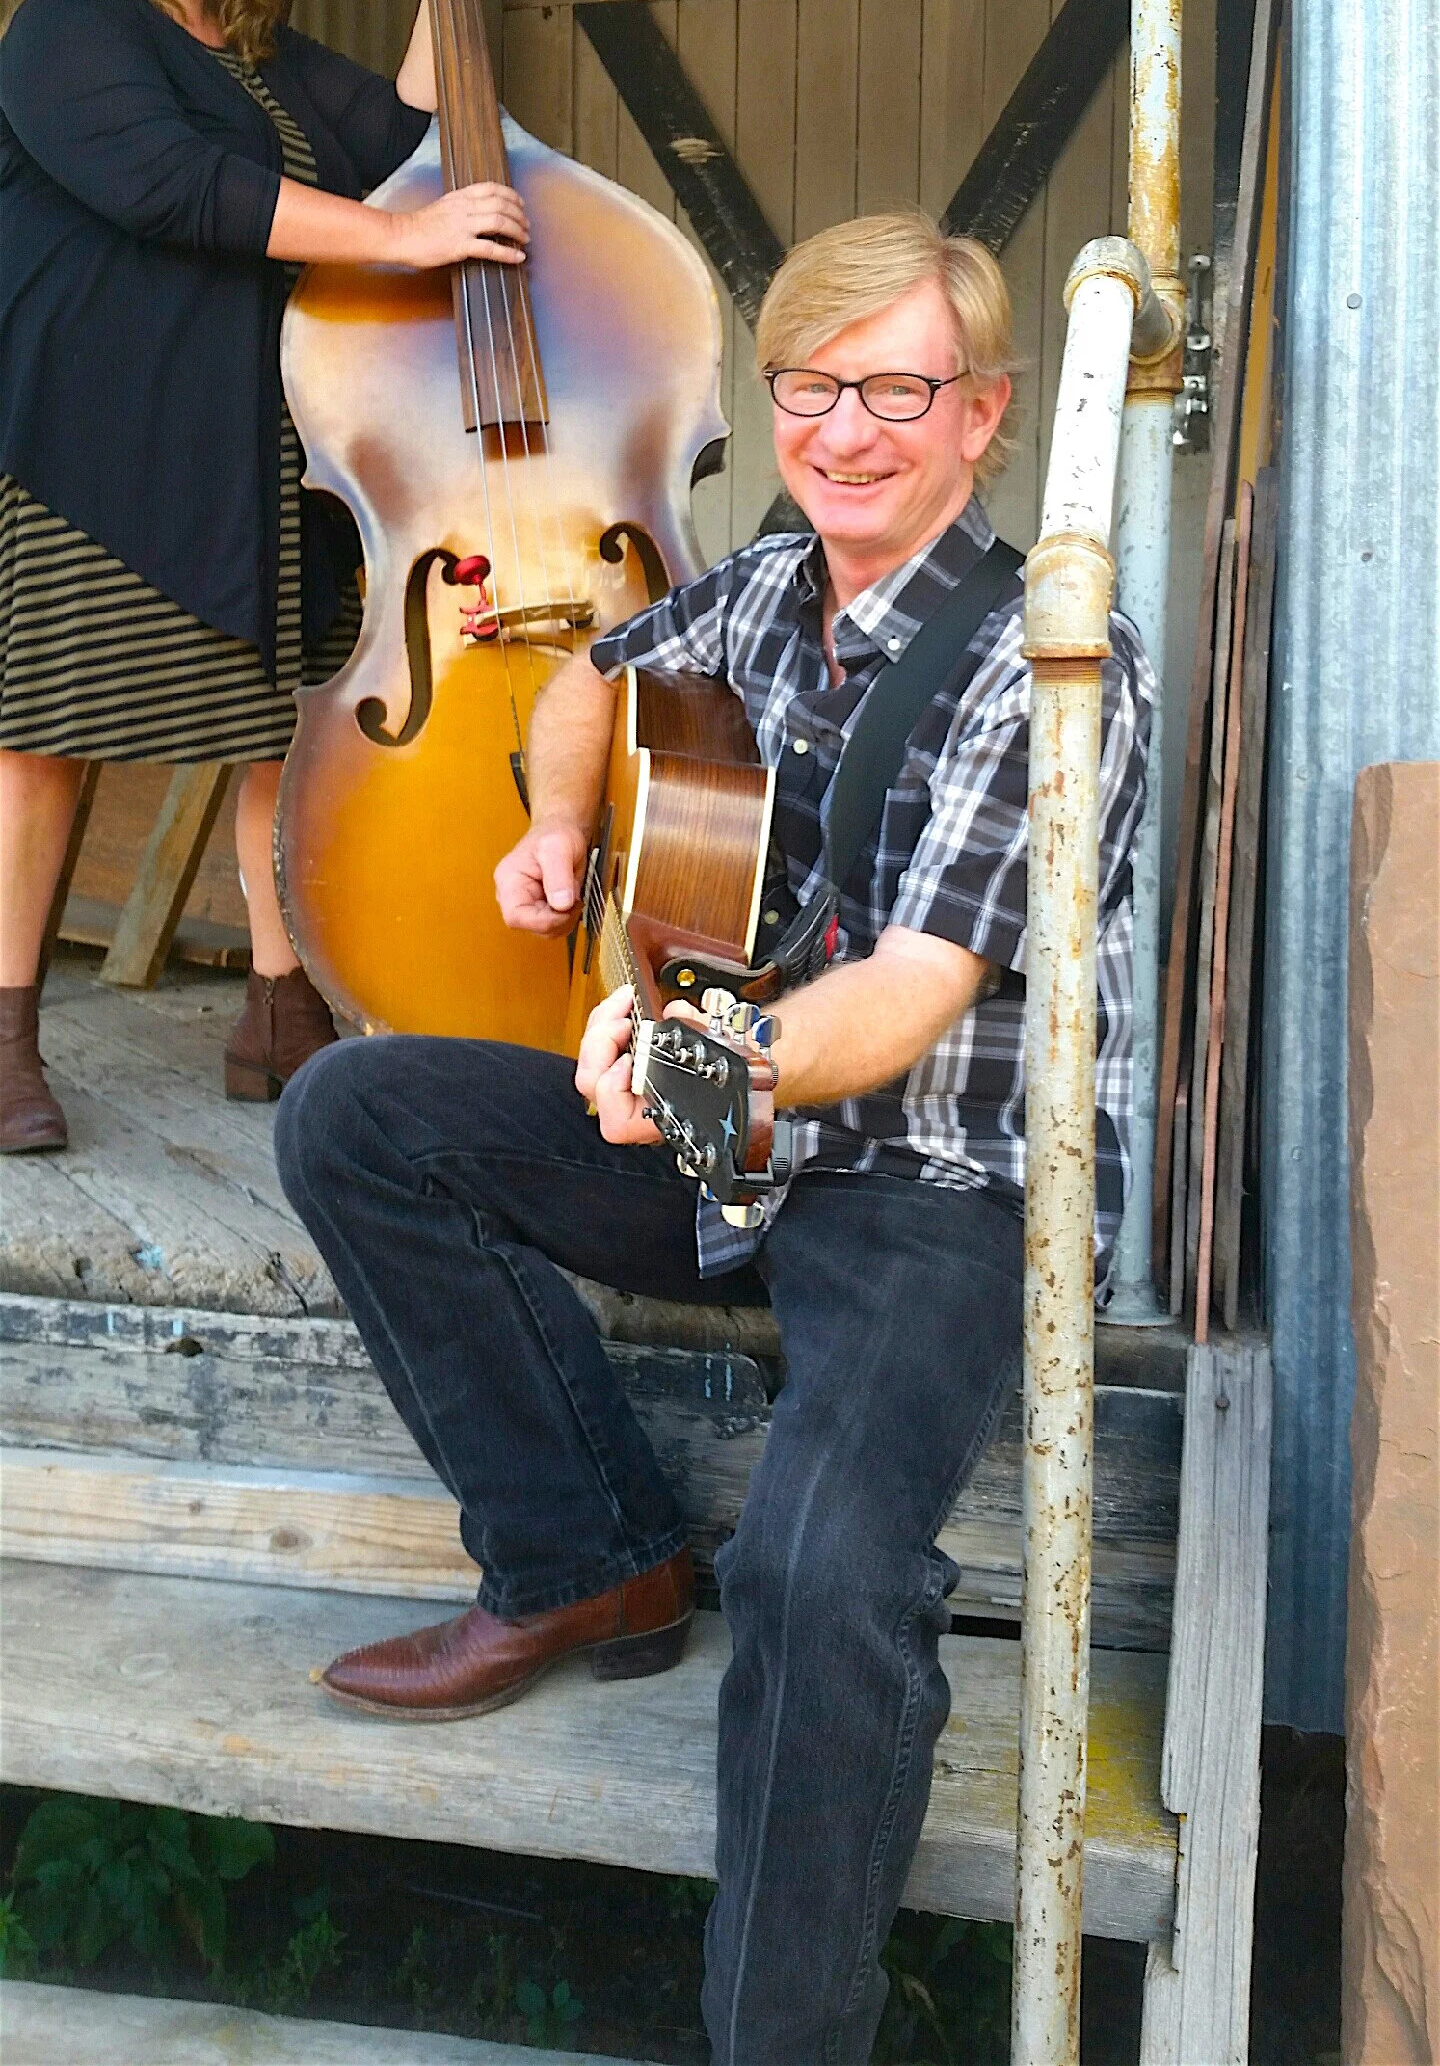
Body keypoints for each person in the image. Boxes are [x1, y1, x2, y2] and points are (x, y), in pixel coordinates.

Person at [274, 209, 1153, 2064]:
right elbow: (596, 674)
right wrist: (557, 837)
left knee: (825, 1572)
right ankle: (579, 1550)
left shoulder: (1052, 660)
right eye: (812, 390)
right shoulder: (768, 586)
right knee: (358, 1109)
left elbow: (915, 992)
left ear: (984, 414)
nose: (845, 432)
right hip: (737, 1134)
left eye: (896, 391)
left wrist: (679, 1062)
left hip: (927, 1188)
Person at [0, 0, 527, 1150]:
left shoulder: (262, 57)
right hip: (92, 447)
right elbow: (173, 188)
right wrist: (401, 239)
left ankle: (280, 1011)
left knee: (275, 735)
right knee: (46, 744)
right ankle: (1, 1041)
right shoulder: (68, 29)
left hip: (263, 446)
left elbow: (406, 146)